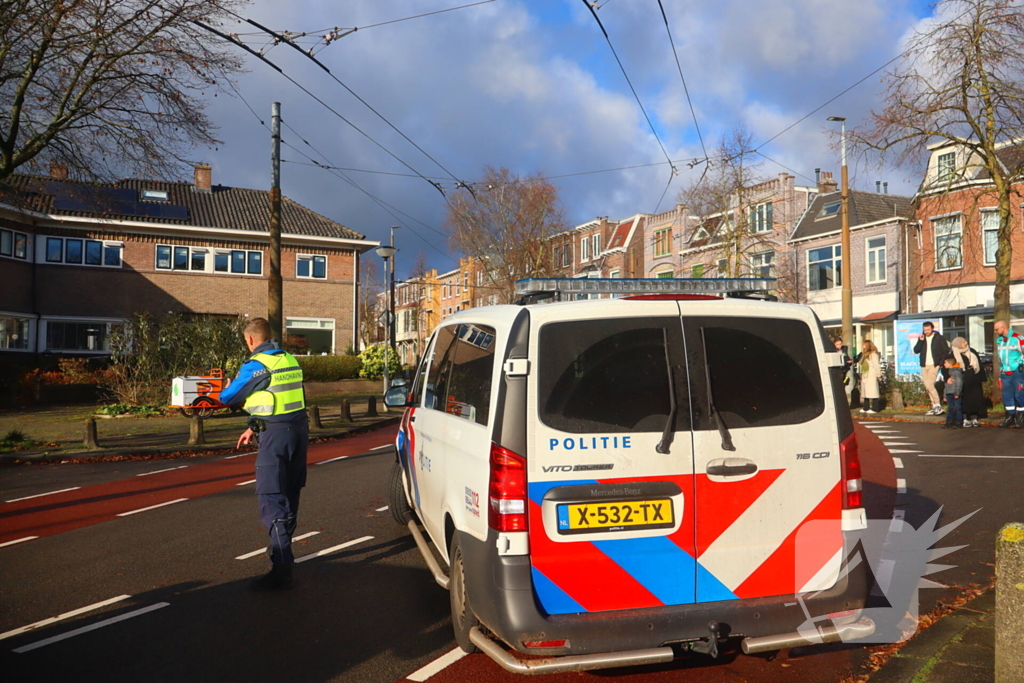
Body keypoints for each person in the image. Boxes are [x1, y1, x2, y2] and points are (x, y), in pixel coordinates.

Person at [220, 317, 309, 590]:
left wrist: (225, 387)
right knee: (289, 495)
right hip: (297, 432)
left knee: (272, 500)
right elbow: (277, 397)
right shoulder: (288, 360)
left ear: (250, 340)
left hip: (276, 439)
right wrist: (252, 426)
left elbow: (228, 397)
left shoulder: (256, 365)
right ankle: (284, 558)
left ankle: (281, 569)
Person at [912, 321, 950, 416]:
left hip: (934, 364)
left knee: (930, 384)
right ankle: (934, 406)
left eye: (928, 329)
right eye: (925, 330)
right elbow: (916, 350)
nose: (926, 331)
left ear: (932, 329)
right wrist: (920, 341)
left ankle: (937, 405)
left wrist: (940, 363)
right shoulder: (922, 338)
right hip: (924, 365)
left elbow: (946, 351)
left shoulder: (939, 338)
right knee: (927, 386)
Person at [994, 320, 1024, 428]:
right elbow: (1000, 358)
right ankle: (1010, 417)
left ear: (1003, 327)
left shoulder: (1018, 338)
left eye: (996, 329)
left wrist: (1021, 366)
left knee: (1020, 394)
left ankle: (1021, 418)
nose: (995, 331)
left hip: (1017, 372)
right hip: (1005, 373)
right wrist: (1001, 371)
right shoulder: (999, 340)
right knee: (1007, 395)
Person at [951, 337, 986, 427]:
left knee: (975, 399)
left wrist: (982, 378)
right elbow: (948, 366)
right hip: (962, 380)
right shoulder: (953, 354)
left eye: (965, 341)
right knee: (965, 400)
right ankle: (966, 418)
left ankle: (975, 418)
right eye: (963, 342)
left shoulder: (972, 351)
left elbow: (979, 365)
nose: (966, 343)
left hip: (974, 379)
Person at [859, 339, 881, 414]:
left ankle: (875, 408)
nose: (863, 346)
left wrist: (878, 374)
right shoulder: (864, 354)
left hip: (871, 374)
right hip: (865, 374)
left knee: (873, 392)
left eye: (864, 344)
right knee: (865, 392)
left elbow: (876, 365)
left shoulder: (873, 354)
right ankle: (866, 407)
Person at [941, 356, 963, 429]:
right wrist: (944, 395)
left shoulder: (956, 372)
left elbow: (959, 383)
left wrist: (957, 393)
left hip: (954, 393)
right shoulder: (948, 373)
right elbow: (946, 385)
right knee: (950, 408)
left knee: (957, 407)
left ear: (950, 364)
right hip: (949, 393)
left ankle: (959, 422)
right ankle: (949, 422)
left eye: (945, 363)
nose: (944, 364)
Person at [834, 338, 853, 405]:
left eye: (840, 344)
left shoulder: (844, 349)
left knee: (843, 385)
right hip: (837, 370)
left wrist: (849, 361)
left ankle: (842, 401)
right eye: (837, 344)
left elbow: (846, 357)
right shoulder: (833, 350)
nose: (839, 346)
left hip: (844, 369)